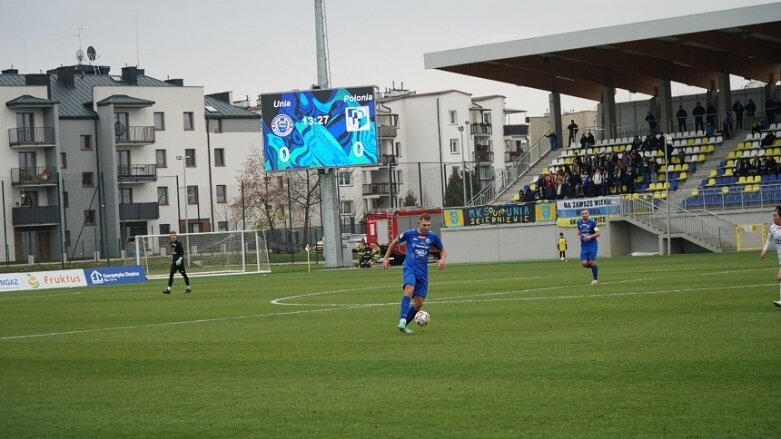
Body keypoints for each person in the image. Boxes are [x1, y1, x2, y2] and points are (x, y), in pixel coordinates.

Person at [383, 213, 447, 334]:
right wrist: (386, 258)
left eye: (428, 225)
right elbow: (394, 242)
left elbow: (443, 249)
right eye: (424, 225)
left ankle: (404, 325)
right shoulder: (409, 233)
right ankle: (402, 319)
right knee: (409, 289)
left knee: (419, 302)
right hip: (410, 268)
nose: (426, 227)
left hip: (422, 272)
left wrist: (442, 259)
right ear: (419, 223)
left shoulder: (432, 237)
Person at [760, 205, 781, 307]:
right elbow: (769, 239)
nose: (773, 217)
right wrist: (764, 250)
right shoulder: (773, 227)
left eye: (775, 215)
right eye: (773, 215)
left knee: (780, 276)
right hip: (780, 257)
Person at [577, 209, 601, 285]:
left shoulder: (593, 223)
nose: (584, 215)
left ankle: (595, 279)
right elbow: (579, 231)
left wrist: (590, 236)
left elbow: (598, 233)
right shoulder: (579, 222)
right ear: (581, 215)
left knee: (591, 261)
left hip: (592, 245)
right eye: (583, 213)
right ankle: (594, 267)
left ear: (588, 214)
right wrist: (579, 236)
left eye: (586, 213)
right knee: (584, 263)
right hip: (584, 246)